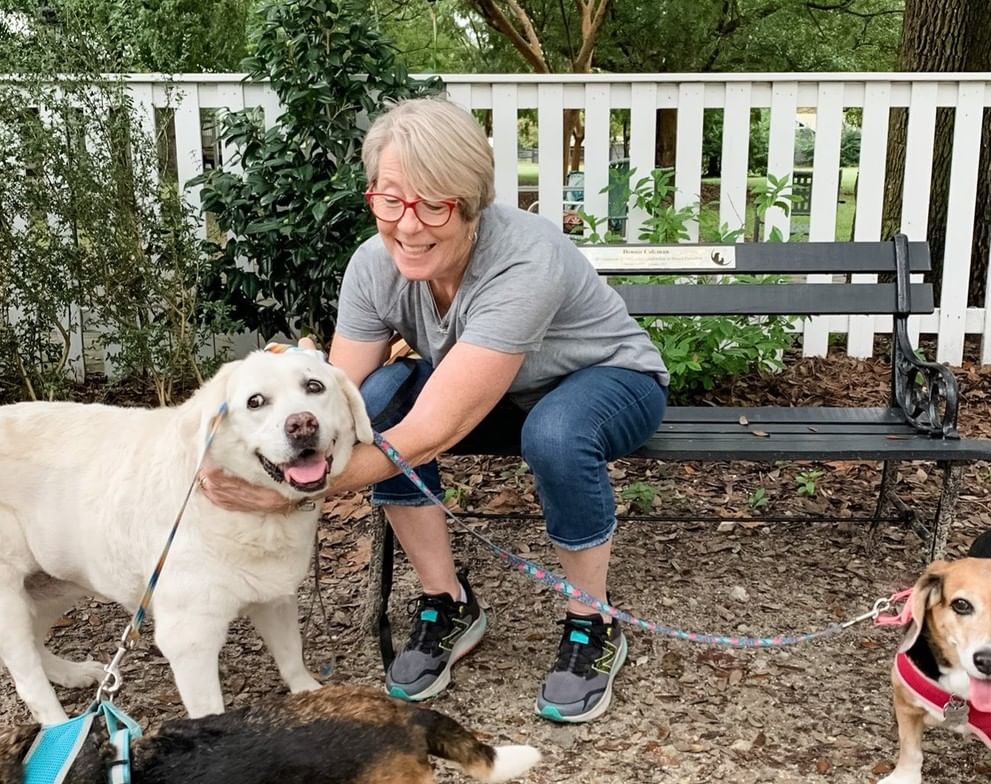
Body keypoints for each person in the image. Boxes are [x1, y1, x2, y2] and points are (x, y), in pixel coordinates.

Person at [201, 97, 668, 723]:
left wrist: (301, 490)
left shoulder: (525, 259)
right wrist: (289, 386)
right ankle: (447, 601)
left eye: (434, 204)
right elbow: (345, 391)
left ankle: (593, 620)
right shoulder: (373, 265)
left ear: (471, 203)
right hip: (496, 391)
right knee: (376, 402)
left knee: (554, 434)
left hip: (608, 380)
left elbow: (432, 430)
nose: (409, 225)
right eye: (391, 200)